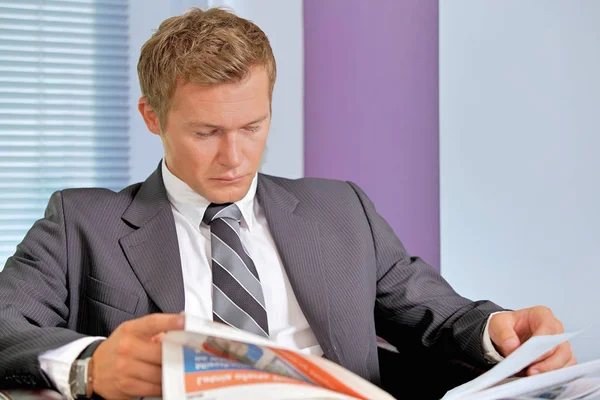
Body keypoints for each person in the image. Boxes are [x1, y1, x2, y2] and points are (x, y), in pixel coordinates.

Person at [0, 7, 575, 400]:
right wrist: (90, 365)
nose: (235, 157)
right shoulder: (82, 222)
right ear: (153, 117)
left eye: (252, 126)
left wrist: (502, 327)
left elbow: (439, 316)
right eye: (206, 133)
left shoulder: (340, 209)